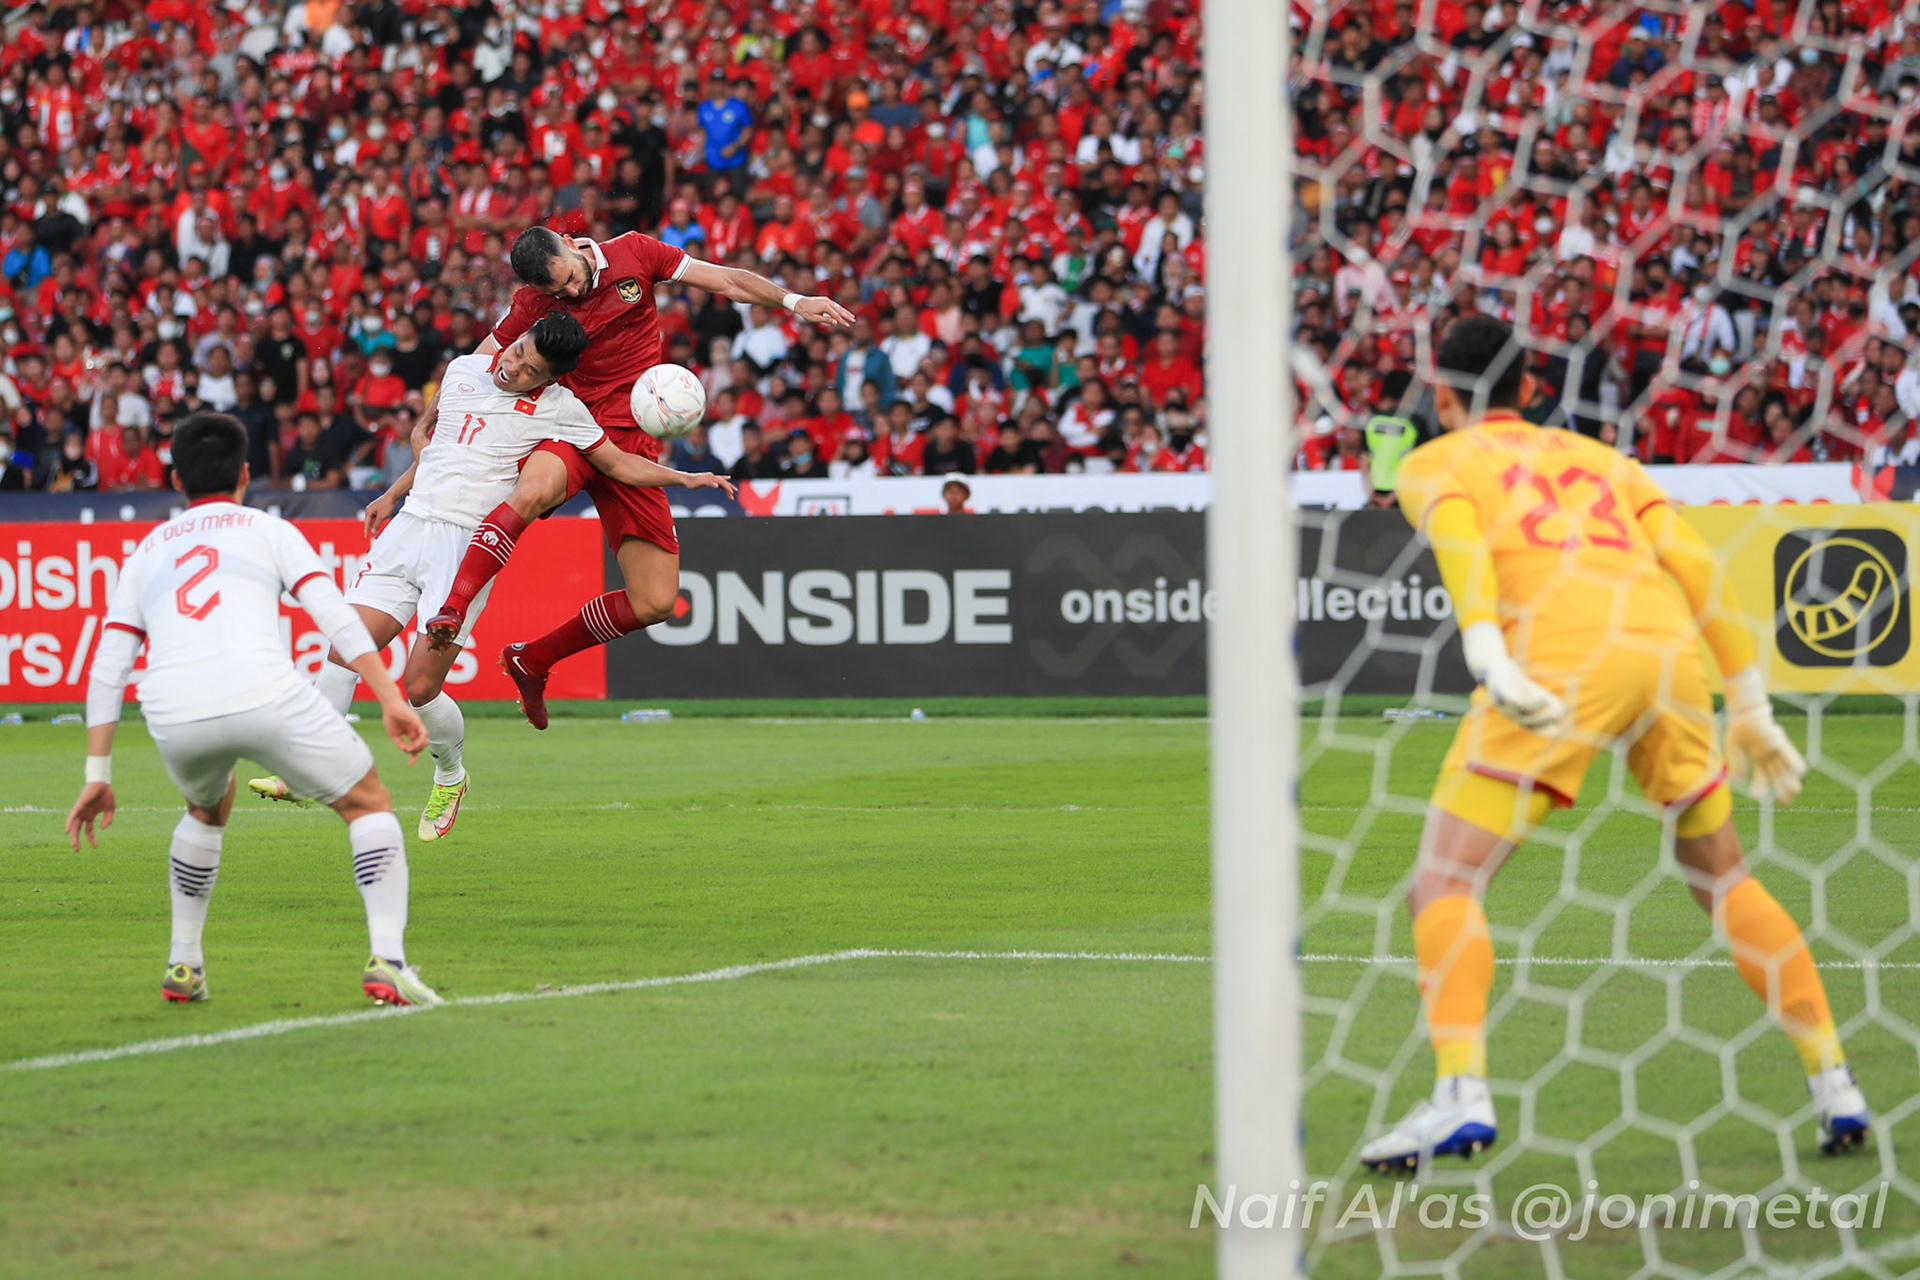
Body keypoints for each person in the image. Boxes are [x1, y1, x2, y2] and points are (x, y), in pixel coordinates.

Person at [1359, 317, 1868, 1170]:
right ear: (1530, 391)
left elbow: (1460, 542)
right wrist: (1747, 700)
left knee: (1443, 879)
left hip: (1561, 657)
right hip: (1666, 652)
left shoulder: (1435, 460)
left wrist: (1485, 648)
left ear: (1441, 396)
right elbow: (1697, 566)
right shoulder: (1604, 459)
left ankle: (1460, 1091)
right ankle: (1835, 1081)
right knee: (1724, 875)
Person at [366, 226, 853, 729]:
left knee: (656, 601)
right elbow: (476, 369)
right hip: (568, 429)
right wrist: (425, 428)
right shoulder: (532, 303)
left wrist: (794, 301)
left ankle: (532, 660)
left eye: (571, 281)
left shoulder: (637, 253)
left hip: (628, 446)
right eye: (558, 293)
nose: (571, 295)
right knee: (531, 491)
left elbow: (726, 281)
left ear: (570, 243)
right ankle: (453, 607)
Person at [63, 413, 439, 1008]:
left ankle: (184, 964)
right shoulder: (268, 529)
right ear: (244, 473)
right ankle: (388, 961)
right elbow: (336, 618)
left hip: (174, 710)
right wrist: (390, 698)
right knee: (368, 802)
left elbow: (109, 668)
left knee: (206, 809)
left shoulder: (145, 552)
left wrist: (97, 776)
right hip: (264, 693)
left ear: (176, 477)